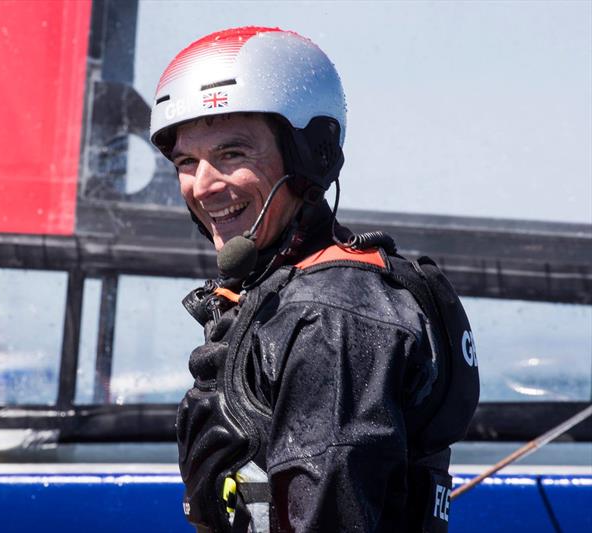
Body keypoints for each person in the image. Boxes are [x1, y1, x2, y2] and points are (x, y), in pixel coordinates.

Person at [149, 27, 479, 532]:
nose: (203, 184)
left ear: (312, 155)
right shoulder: (286, 292)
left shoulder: (330, 318)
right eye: (187, 162)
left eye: (233, 153)